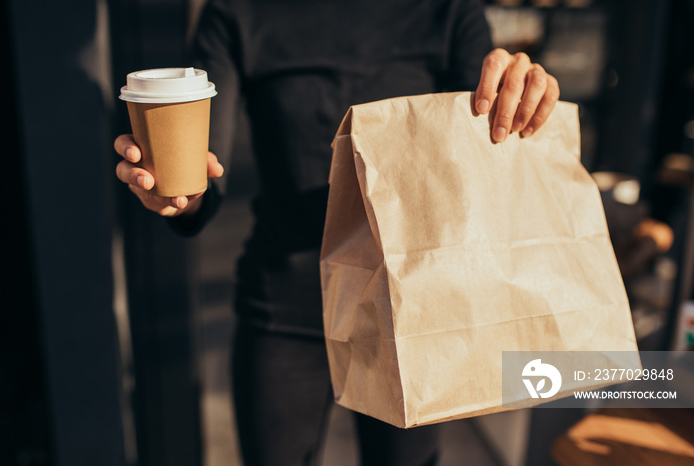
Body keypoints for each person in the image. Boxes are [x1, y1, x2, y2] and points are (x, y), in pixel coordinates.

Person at [114, 1, 560, 464]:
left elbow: (489, 140)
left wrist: (522, 90)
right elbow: (208, 172)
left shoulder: (449, 9)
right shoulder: (236, 11)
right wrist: (174, 190)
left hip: (412, 311)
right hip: (285, 311)